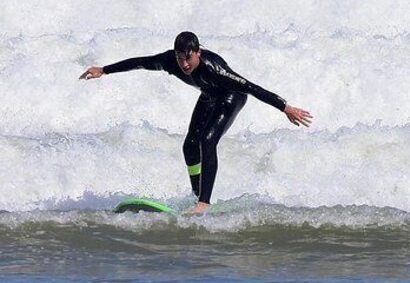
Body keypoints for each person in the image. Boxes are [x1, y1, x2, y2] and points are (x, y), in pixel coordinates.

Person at [80, 31, 313, 214]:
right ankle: (196, 194)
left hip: (231, 97)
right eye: (180, 58)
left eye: (188, 58)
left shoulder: (215, 69)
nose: (184, 65)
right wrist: (104, 70)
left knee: (207, 141)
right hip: (209, 94)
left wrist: (285, 107)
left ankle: (204, 202)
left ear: (198, 52)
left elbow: (250, 87)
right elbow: (140, 62)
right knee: (189, 146)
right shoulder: (169, 61)